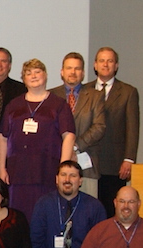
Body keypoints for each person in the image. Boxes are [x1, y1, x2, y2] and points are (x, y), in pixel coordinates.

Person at [0, 59, 76, 220]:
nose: (33, 76)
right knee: (18, 216)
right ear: (23, 79)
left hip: (47, 170)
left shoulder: (58, 105)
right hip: (18, 172)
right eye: (28, 73)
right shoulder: (14, 105)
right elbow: (3, 137)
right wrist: (1, 168)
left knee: (46, 215)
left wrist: (63, 169)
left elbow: (68, 136)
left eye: (37, 72)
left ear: (46, 75)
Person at [85, 47, 140, 217]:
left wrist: (129, 159)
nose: (105, 64)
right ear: (95, 65)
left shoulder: (128, 92)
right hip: (88, 163)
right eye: (102, 60)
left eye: (110, 61)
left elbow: (133, 128)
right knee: (89, 212)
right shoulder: (85, 90)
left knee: (111, 211)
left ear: (116, 66)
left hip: (114, 164)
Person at [49, 52, 106, 198]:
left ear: (83, 73)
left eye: (77, 69)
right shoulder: (50, 96)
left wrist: (74, 147)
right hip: (56, 162)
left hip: (86, 165)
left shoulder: (96, 96)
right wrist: (65, 151)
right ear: (62, 72)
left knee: (87, 212)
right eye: (69, 68)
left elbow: (99, 127)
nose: (73, 72)